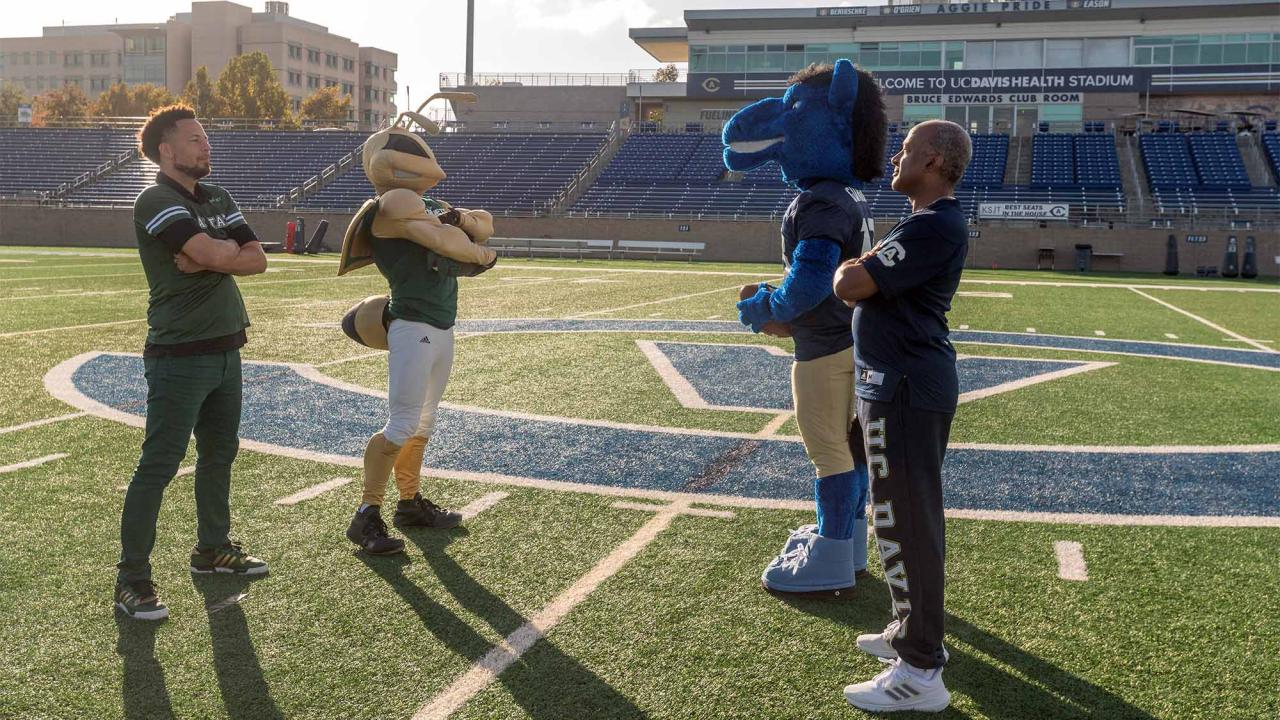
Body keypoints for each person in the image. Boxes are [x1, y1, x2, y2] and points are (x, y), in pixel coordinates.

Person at [722, 59, 887, 595]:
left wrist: (768, 307)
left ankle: (832, 551)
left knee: (829, 452)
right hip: (852, 340)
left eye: (796, 110)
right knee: (850, 449)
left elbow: (811, 281)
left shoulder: (819, 201)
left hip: (823, 348)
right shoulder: (849, 196)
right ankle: (849, 542)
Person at [832, 119, 971, 712]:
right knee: (892, 517)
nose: (895, 157)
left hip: (906, 389)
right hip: (893, 386)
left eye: (908, 149)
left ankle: (920, 671)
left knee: (906, 521)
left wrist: (853, 268)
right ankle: (907, 633)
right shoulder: (921, 222)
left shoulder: (933, 224)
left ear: (934, 160)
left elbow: (851, 283)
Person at [115, 105, 269, 622]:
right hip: (179, 354)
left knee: (220, 454)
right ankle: (131, 578)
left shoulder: (218, 196)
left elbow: (257, 259)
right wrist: (219, 254)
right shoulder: (155, 199)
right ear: (166, 150)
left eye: (206, 138)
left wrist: (209, 258)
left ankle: (212, 549)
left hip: (227, 347)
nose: (206, 146)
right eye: (195, 139)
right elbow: (224, 253)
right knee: (159, 465)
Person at [337, 96, 498, 555]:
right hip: (413, 323)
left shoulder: (426, 200)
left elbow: (483, 224)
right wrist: (481, 251)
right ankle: (366, 514)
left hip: (440, 324)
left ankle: (409, 502)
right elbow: (452, 243)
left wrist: (463, 222)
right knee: (403, 422)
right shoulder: (396, 201)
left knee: (423, 422)